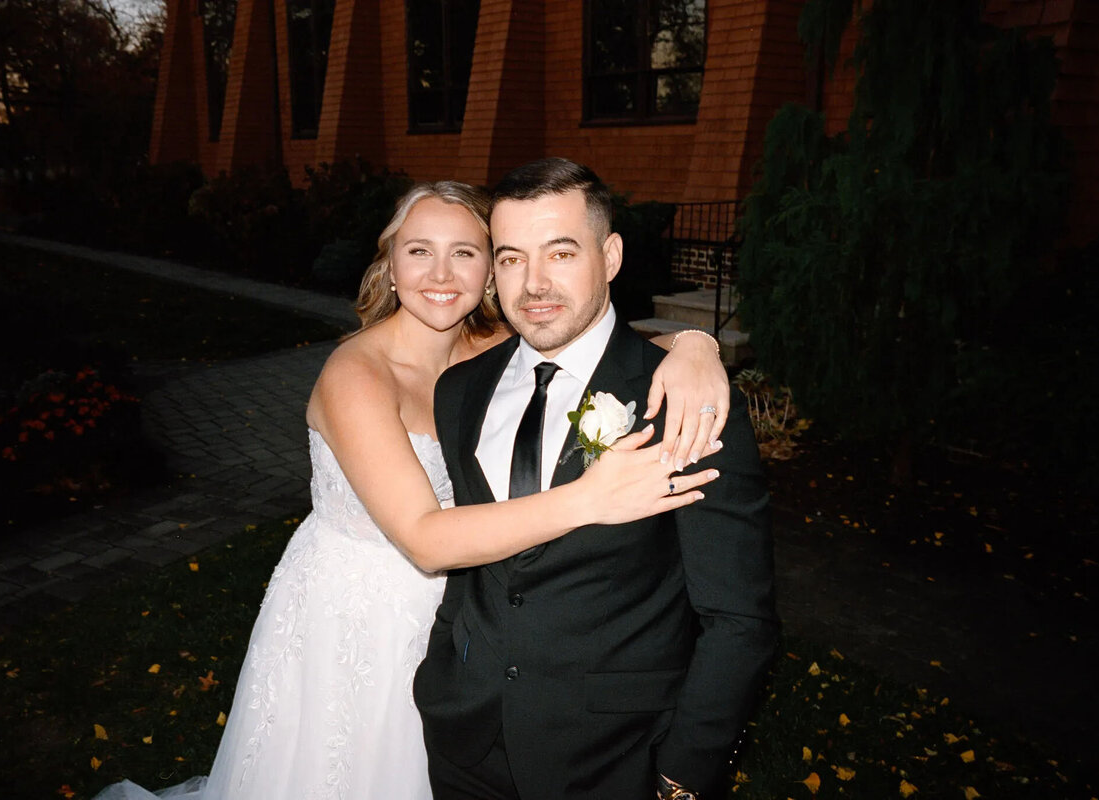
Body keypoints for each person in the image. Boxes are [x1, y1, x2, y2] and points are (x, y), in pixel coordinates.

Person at [96, 179, 731, 800]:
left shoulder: (489, 349)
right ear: (391, 267)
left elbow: (595, 338)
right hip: (357, 617)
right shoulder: (356, 375)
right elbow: (426, 540)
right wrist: (590, 497)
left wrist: (694, 344)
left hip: (463, 621)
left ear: (491, 273)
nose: (441, 274)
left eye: (465, 253)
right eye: (419, 250)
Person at [414, 159, 779, 800]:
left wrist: (681, 775)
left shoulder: (682, 401)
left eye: (560, 252)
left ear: (609, 256)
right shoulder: (461, 392)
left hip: (615, 758)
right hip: (465, 742)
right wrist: (442, 672)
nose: (533, 284)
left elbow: (738, 619)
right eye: (510, 258)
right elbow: (475, 559)